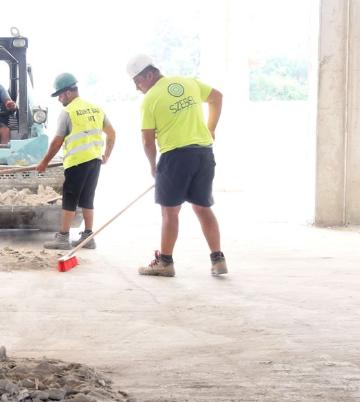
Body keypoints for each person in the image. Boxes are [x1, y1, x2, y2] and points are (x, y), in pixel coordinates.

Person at [127, 54, 226, 277]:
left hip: (175, 158)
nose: (137, 88)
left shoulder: (150, 99)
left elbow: (147, 140)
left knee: (170, 212)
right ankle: (218, 259)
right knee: (202, 208)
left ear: (150, 74)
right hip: (203, 154)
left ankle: (165, 262)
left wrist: (153, 166)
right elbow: (217, 97)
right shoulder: (188, 82)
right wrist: (210, 129)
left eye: (138, 81)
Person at [37, 73, 115, 250]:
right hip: (95, 161)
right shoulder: (96, 109)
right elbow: (112, 134)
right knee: (88, 199)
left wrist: (44, 163)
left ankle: (63, 238)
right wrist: (106, 155)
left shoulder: (68, 112)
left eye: (59, 95)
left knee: (70, 200)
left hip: (77, 163)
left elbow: (57, 142)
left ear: (68, 93)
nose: (59, 100)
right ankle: (88, 237)